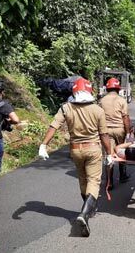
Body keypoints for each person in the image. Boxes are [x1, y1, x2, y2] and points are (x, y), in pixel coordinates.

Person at [38, 78, 113, 237]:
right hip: (93, 149)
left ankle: (88, 210)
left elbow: (54, 126)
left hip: (75, 150)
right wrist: (109, 153)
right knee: (94, 181)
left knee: (83, 180)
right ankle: (84, 214)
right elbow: (104, 134)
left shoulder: (66, 108)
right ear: (90, 91)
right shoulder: (97, 110)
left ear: (74, 92)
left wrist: (44, 144)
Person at [98, 77, 131, 187]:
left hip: (106, 131)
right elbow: (125, 118)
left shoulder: (102, 101)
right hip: (119, 130)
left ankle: (109, 182)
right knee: (121, 151)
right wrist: (128, 132)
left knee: (109, 155)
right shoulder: (122, 100)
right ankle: (123, 175)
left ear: (107, 88)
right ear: (118, 89)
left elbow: (98, 117)